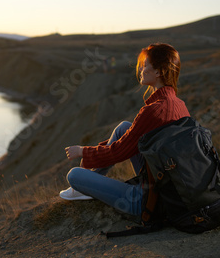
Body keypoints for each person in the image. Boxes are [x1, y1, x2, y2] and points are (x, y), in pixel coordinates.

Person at [59, 43, 190, 218]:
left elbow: (119, 152)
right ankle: (84, 186)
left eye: (145, 66)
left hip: (150, 202)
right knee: (124, 128)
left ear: (158, 72)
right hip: (169, 188)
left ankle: (82, 186)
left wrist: (83, 152)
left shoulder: (154, 110)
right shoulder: (179, 105)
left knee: (74, 175)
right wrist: (93, 158)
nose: (141, 70)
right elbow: (126, 141)